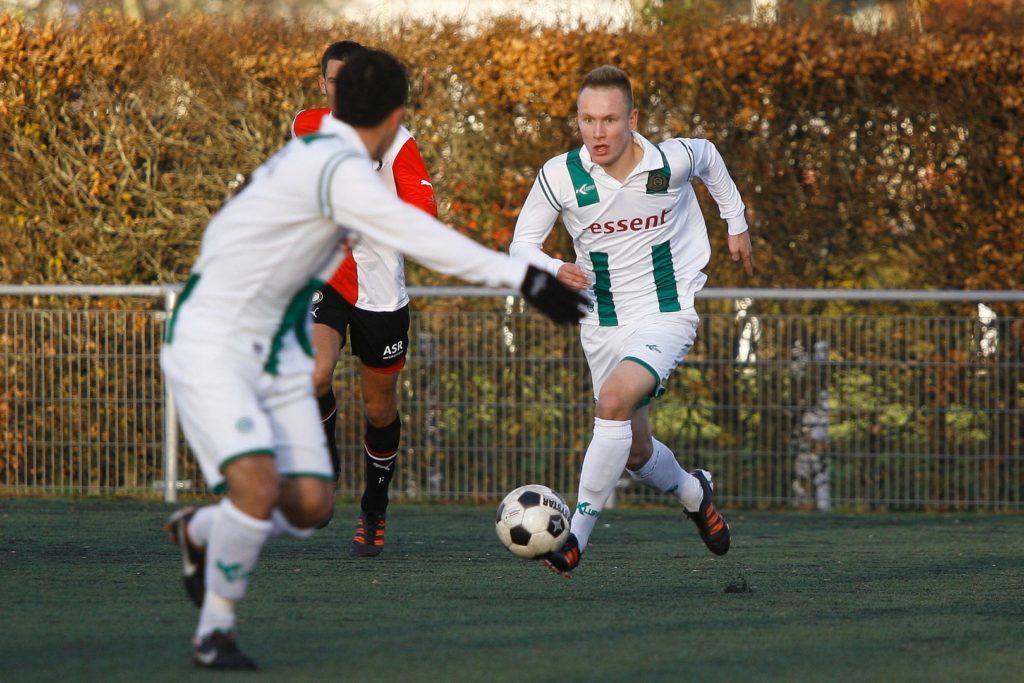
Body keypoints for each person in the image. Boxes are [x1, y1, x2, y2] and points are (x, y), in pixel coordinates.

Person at [162, 48, 587, 669]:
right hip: (215, 341)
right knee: (256, 488)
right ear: (394, 114)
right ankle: (214, 633)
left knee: (311, 508)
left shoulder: (328, 152)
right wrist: (524, 278)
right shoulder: (330, 165)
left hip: (280, 332)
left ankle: (200, 531)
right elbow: (420, 235)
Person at [509, 65, 754, 578]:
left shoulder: (669, 161)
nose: (597, 133)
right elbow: (521, 246)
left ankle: (574, 538)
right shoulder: (560, 176)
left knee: (613, 401)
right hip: (601, 324)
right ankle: (693, 492)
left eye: (610, 120)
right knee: (636, 452)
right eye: (587, 120)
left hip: (666, 313)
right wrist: (555, 267)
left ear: (633, 119)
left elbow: (709, 156)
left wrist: (736, 222)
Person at [293, 40, 438, 556]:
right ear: (323, 85)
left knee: (379, 410)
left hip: (380, 291)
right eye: (337, 82)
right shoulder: (305, 126)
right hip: (327, 275)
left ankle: (374, 507)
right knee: (313, 375)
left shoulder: (397, 141)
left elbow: (424, 215)